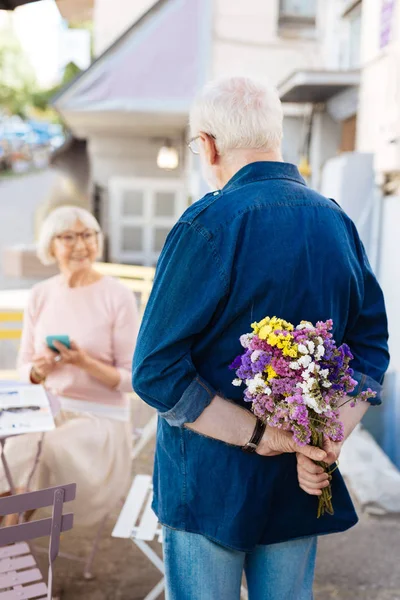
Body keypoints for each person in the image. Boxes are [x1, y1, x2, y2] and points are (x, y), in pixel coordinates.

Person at [132, 77, 389, 600]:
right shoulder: (337, 221)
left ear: (207, 145)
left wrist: (265, 436)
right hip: (299, 484)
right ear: (277, 135)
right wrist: (327, 432)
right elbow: (372, 347)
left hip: (207, 485)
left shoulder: (207, 225)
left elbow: (155, 370)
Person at [1, 206, 139, 527]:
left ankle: (8, 546)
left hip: (100, 423)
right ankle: (9, 547)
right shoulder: (40, 294)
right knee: (14, 451)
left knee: (42, 448)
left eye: (87, 235)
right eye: (69, 237)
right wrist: (40, 371)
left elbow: (133, 380)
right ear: (51, 246)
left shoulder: (117, 296)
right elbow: (25, 369)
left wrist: (84, 362)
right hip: (48, 412)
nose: (81, 245)